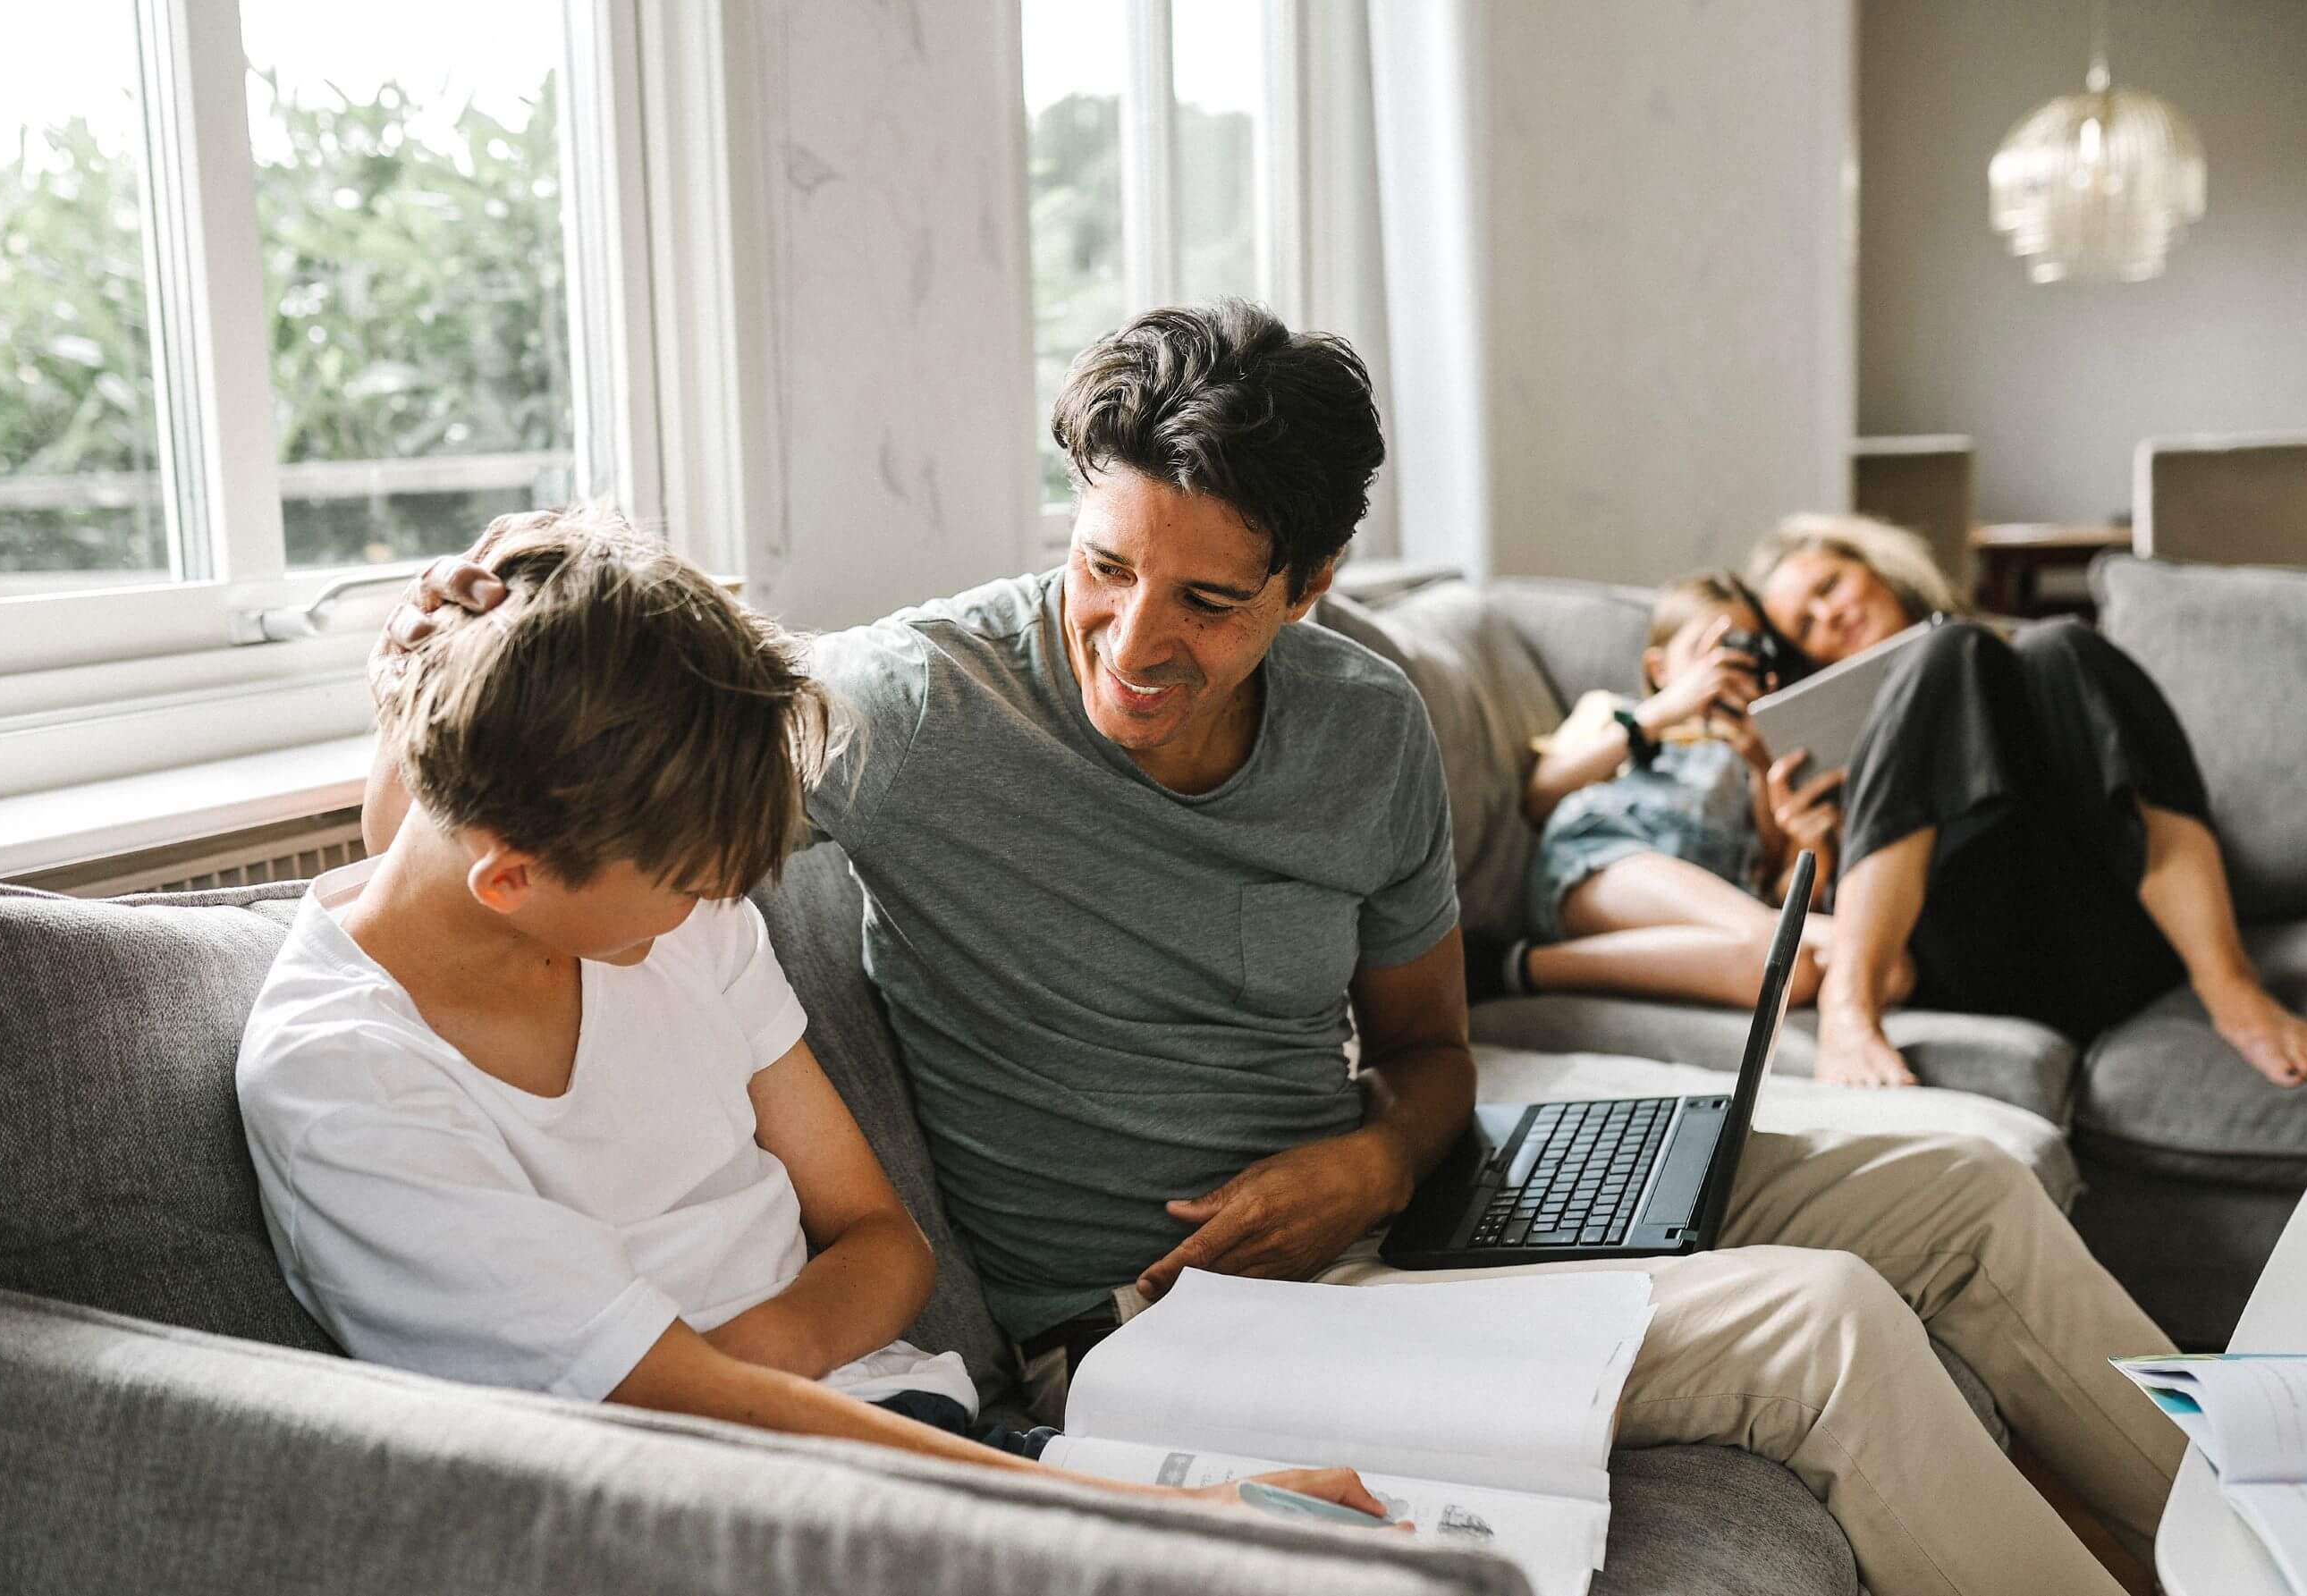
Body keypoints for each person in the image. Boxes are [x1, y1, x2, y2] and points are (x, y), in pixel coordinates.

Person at [392, 305, 2184, 1596]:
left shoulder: (1365, 722)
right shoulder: (909, 707)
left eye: (1206, 599)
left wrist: (1377, 1150)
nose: (1131, 641)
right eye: (1103, 566)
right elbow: (628, 722)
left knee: (1966, 1195)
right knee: (1825, 1326)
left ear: (1313, 589)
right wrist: (456, 642)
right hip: (1159, 1322)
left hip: (1389, 1213)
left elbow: (1431, 1048)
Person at [238, 508, 1391, 1521]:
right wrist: (1175, 1517)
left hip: (919, 1437)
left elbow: (886, 1243)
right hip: (741, 1506)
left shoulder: (643, 912)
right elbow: (677, 1423)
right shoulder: (348, 1084)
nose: (721, 900)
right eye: (688, 879)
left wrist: (770, 1349)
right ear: (514, 877)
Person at [1750, 512, 2307, 1092]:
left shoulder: (2023, 660)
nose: (1829, 615)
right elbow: (1792, 919)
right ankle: (1848, 1013)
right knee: (1945, 653)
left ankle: (2230, 985)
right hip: (1971, 959)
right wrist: (1812, 846)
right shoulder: (1826, 752)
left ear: (1879, 569)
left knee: (2060, 643)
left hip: (2108, 934)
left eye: (1828, 587)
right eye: (1805, 625)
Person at [1482, 570, 1897, 1010]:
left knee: (1885, 968)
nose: (1725, 667)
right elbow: (1539, 796)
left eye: (1746, 651)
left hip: (1723, 911)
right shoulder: (1622, 713)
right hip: (1605, 863)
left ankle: (1521, 966)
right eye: (1711, 650)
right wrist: (1663, 713)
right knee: (1778, 952)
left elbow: (1774, 881)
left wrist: (1760, 757)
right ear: (1657, 669)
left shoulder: (1759, 754)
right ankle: (1519, 966)